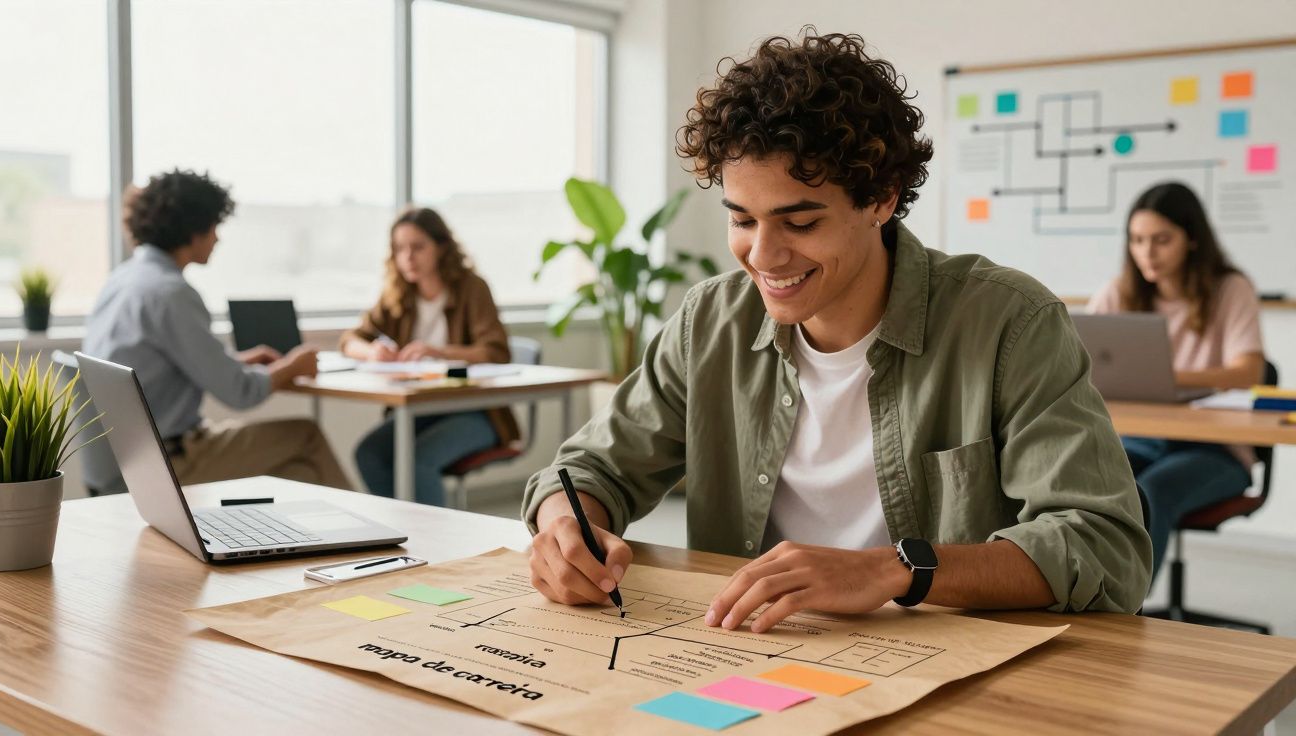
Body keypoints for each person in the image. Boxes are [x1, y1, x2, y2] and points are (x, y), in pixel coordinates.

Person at [522, 31, 1151, 632]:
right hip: (751, 653)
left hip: (948, 663)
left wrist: (895, 570)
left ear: (882, 198)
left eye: (800, 223)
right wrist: (564, 529)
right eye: (742, 220)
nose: (762, 256)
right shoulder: (709, 323)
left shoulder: (1009, 322)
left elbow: (1103, 545)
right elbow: (587, 471)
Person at [84, 168, 351, 489]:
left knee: (302, 473)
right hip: (168, 460)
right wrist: (293, 367)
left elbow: (166, 364)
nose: (217, 238)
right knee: (306, 436)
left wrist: (234, 361)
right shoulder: (171, 293)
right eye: (214, 227)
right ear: (193, 230)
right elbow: (240, 393)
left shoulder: (122, 280)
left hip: (125, 459)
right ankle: (369, 522)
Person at [1089, 181, 1264, 580]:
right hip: (1138, 439)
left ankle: (1125, 605)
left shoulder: (1230, 289)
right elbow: (1079, 363)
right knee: (1095, 484)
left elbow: (1249, 372)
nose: (1147, 252)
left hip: (1216, 450)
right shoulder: (1117, 293)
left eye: (1161, 240)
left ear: (1192, 239)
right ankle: (1082, 591)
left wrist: (1166, 377)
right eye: (1137, 240)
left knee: (1153, 491)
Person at [341, 207, 519, 504]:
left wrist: (438, 352)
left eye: (418, 247)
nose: (408, 257)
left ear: (441, 246)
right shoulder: (398, 295)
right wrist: (372, 351)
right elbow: (350, 340)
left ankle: (430, 534)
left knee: (417, 461)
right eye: (400, 248)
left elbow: (496, 352)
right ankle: (405, 526)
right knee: (369, 454)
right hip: (421, 410)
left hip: (475, 411)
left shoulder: (471, 288)